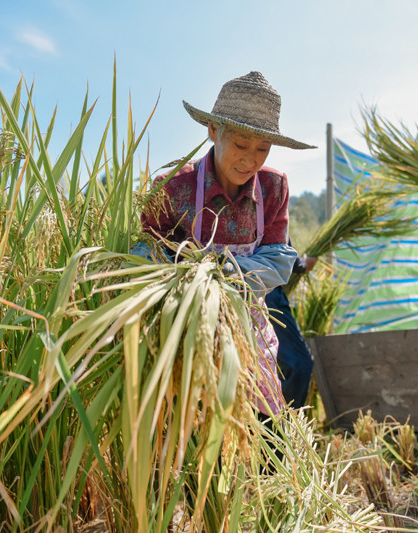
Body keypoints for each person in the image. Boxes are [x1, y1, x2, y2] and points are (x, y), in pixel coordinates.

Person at [142, 71, 316, 416]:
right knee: (194, 422)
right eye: (240, 144)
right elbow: (145, 252)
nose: (250, 160)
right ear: (212, 131)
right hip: (186, 329)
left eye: (262, 148)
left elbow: (279, 259)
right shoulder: (173, 187)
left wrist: (219, 276)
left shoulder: (273, 187)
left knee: (264, 417)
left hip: (249, 321)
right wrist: (190, 284)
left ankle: (269, 468)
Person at [265, 254, 316, 409]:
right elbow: (276, 248)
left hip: (257, 288)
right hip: (265, 292)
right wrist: (302, 264)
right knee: (299, 364)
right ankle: (282, 424)